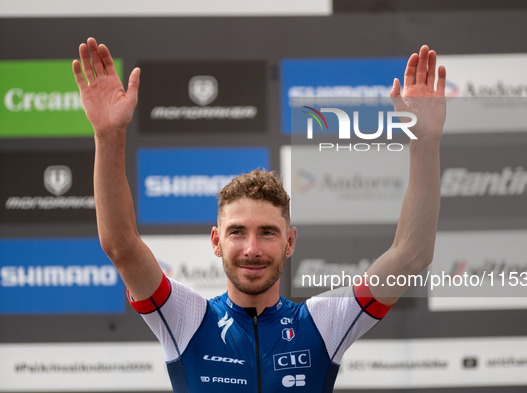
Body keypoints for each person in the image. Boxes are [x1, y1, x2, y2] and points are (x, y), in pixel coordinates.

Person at [73, 37, 446, 392]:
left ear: (290, 242)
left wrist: (425, 142)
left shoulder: (323, 322)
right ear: (217, 241)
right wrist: (108, 136)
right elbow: (120, 246)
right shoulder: (185, 318)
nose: (252, 248)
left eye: (267, 232)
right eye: (237, 232)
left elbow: (411, 255)